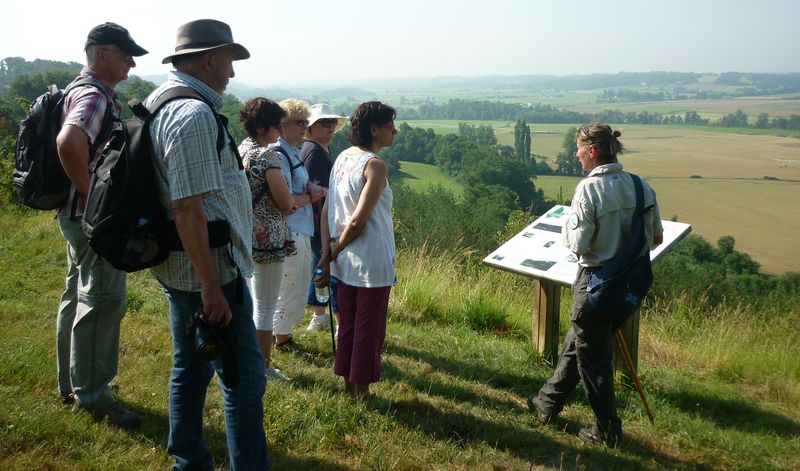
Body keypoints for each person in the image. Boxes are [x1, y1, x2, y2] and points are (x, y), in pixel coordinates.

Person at [144, 19, 269, 470]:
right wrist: (211, 286)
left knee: (190, 368)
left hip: (181, 266)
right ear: (210, 58)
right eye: (229, 61)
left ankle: (188, 461)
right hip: (211, 271)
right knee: (243, 381)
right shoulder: (194, 114)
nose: (232, 73)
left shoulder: (161, 100)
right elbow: (187, 208)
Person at [527, 123, 663, 448]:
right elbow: (655, 238)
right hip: (631, 285)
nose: (576, 156)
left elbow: (578, 244)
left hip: (594, 285)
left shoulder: (588, 190)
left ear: (592, 151)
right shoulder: (641, 186)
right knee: (582, 343)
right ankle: (547, 402)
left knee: (596, 362)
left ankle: (607, 432)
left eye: (578, 149)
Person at [55, 22, 147, 429]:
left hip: (73, 215)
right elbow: (69, 142)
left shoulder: (78, 88)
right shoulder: (93, 96)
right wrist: (96, 201)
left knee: (78, 294)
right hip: (91, 220)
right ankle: (93, 395)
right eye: (125, 53)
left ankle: (72, 383)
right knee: (103, 300)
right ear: (101, 52)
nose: (131, 61)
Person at [316, 101, 397, 401]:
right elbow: (358, 220)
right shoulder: (374, 165)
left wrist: (328, 253)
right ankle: (361, 391)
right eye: (389, 125)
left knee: (348, 322)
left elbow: (327, 209)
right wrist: (331, 253)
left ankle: (349, 386)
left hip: (344, 260)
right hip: (370, 260)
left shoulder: (342, 158)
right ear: (374, 129)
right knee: (368, 328)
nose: (394, 130)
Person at [239, 98, 297, 381]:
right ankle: (260, 366)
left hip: (246, 232)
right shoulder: (268, 157)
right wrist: (302, 198)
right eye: (277, 126)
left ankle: (250, 359)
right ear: (263, 127)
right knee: (265, 305)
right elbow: (286, 203)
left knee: (252, 300)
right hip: (268, 237)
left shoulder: (242, 149)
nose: (280, 133)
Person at [270, 99, 326, 351]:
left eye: (306, 122)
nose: (304, 127)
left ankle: (280, 333)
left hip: (298, 227)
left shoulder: (292, 150)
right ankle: (280, 338)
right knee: (291, 283)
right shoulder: (280, 153)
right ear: (283, 124)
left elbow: (295, 186)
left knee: (296, 283)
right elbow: (286, 201)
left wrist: (309, 189)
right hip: (290, 228)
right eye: (299, 122)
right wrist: (312, 196)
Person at [302, 103, 347, 333]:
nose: (330, 127)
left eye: (332, 123)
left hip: (320, 220)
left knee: (319, 265)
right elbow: (308, 187)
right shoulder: (313, 152)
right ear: (311, 127)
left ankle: (319, 316)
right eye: (324, 123)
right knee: (329, 268)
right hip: (321, 221)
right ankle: (337, 322)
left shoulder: (319, 149)